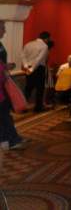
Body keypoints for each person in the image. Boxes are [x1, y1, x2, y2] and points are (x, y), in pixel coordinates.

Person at [0, 20, 24, 150]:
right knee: (4, 113)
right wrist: (5, 66)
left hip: (3, 82)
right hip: (1, 83)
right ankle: (11, 139)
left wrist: (5, 66)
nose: (5, 31)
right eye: (3, 28)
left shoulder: (0, 43)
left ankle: (8, 139)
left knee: (4, 113)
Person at [22, 31, 51, 112]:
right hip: (39, 68)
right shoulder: (44, 46)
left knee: (28, 88)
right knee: (40, 89)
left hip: (29, 67)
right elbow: (39, 59)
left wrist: (26, 66)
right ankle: (38, 108)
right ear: (46, 38)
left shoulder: (29, 44)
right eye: (48, 39)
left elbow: (23, 55)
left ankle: (22, 106)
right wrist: (32, 69)